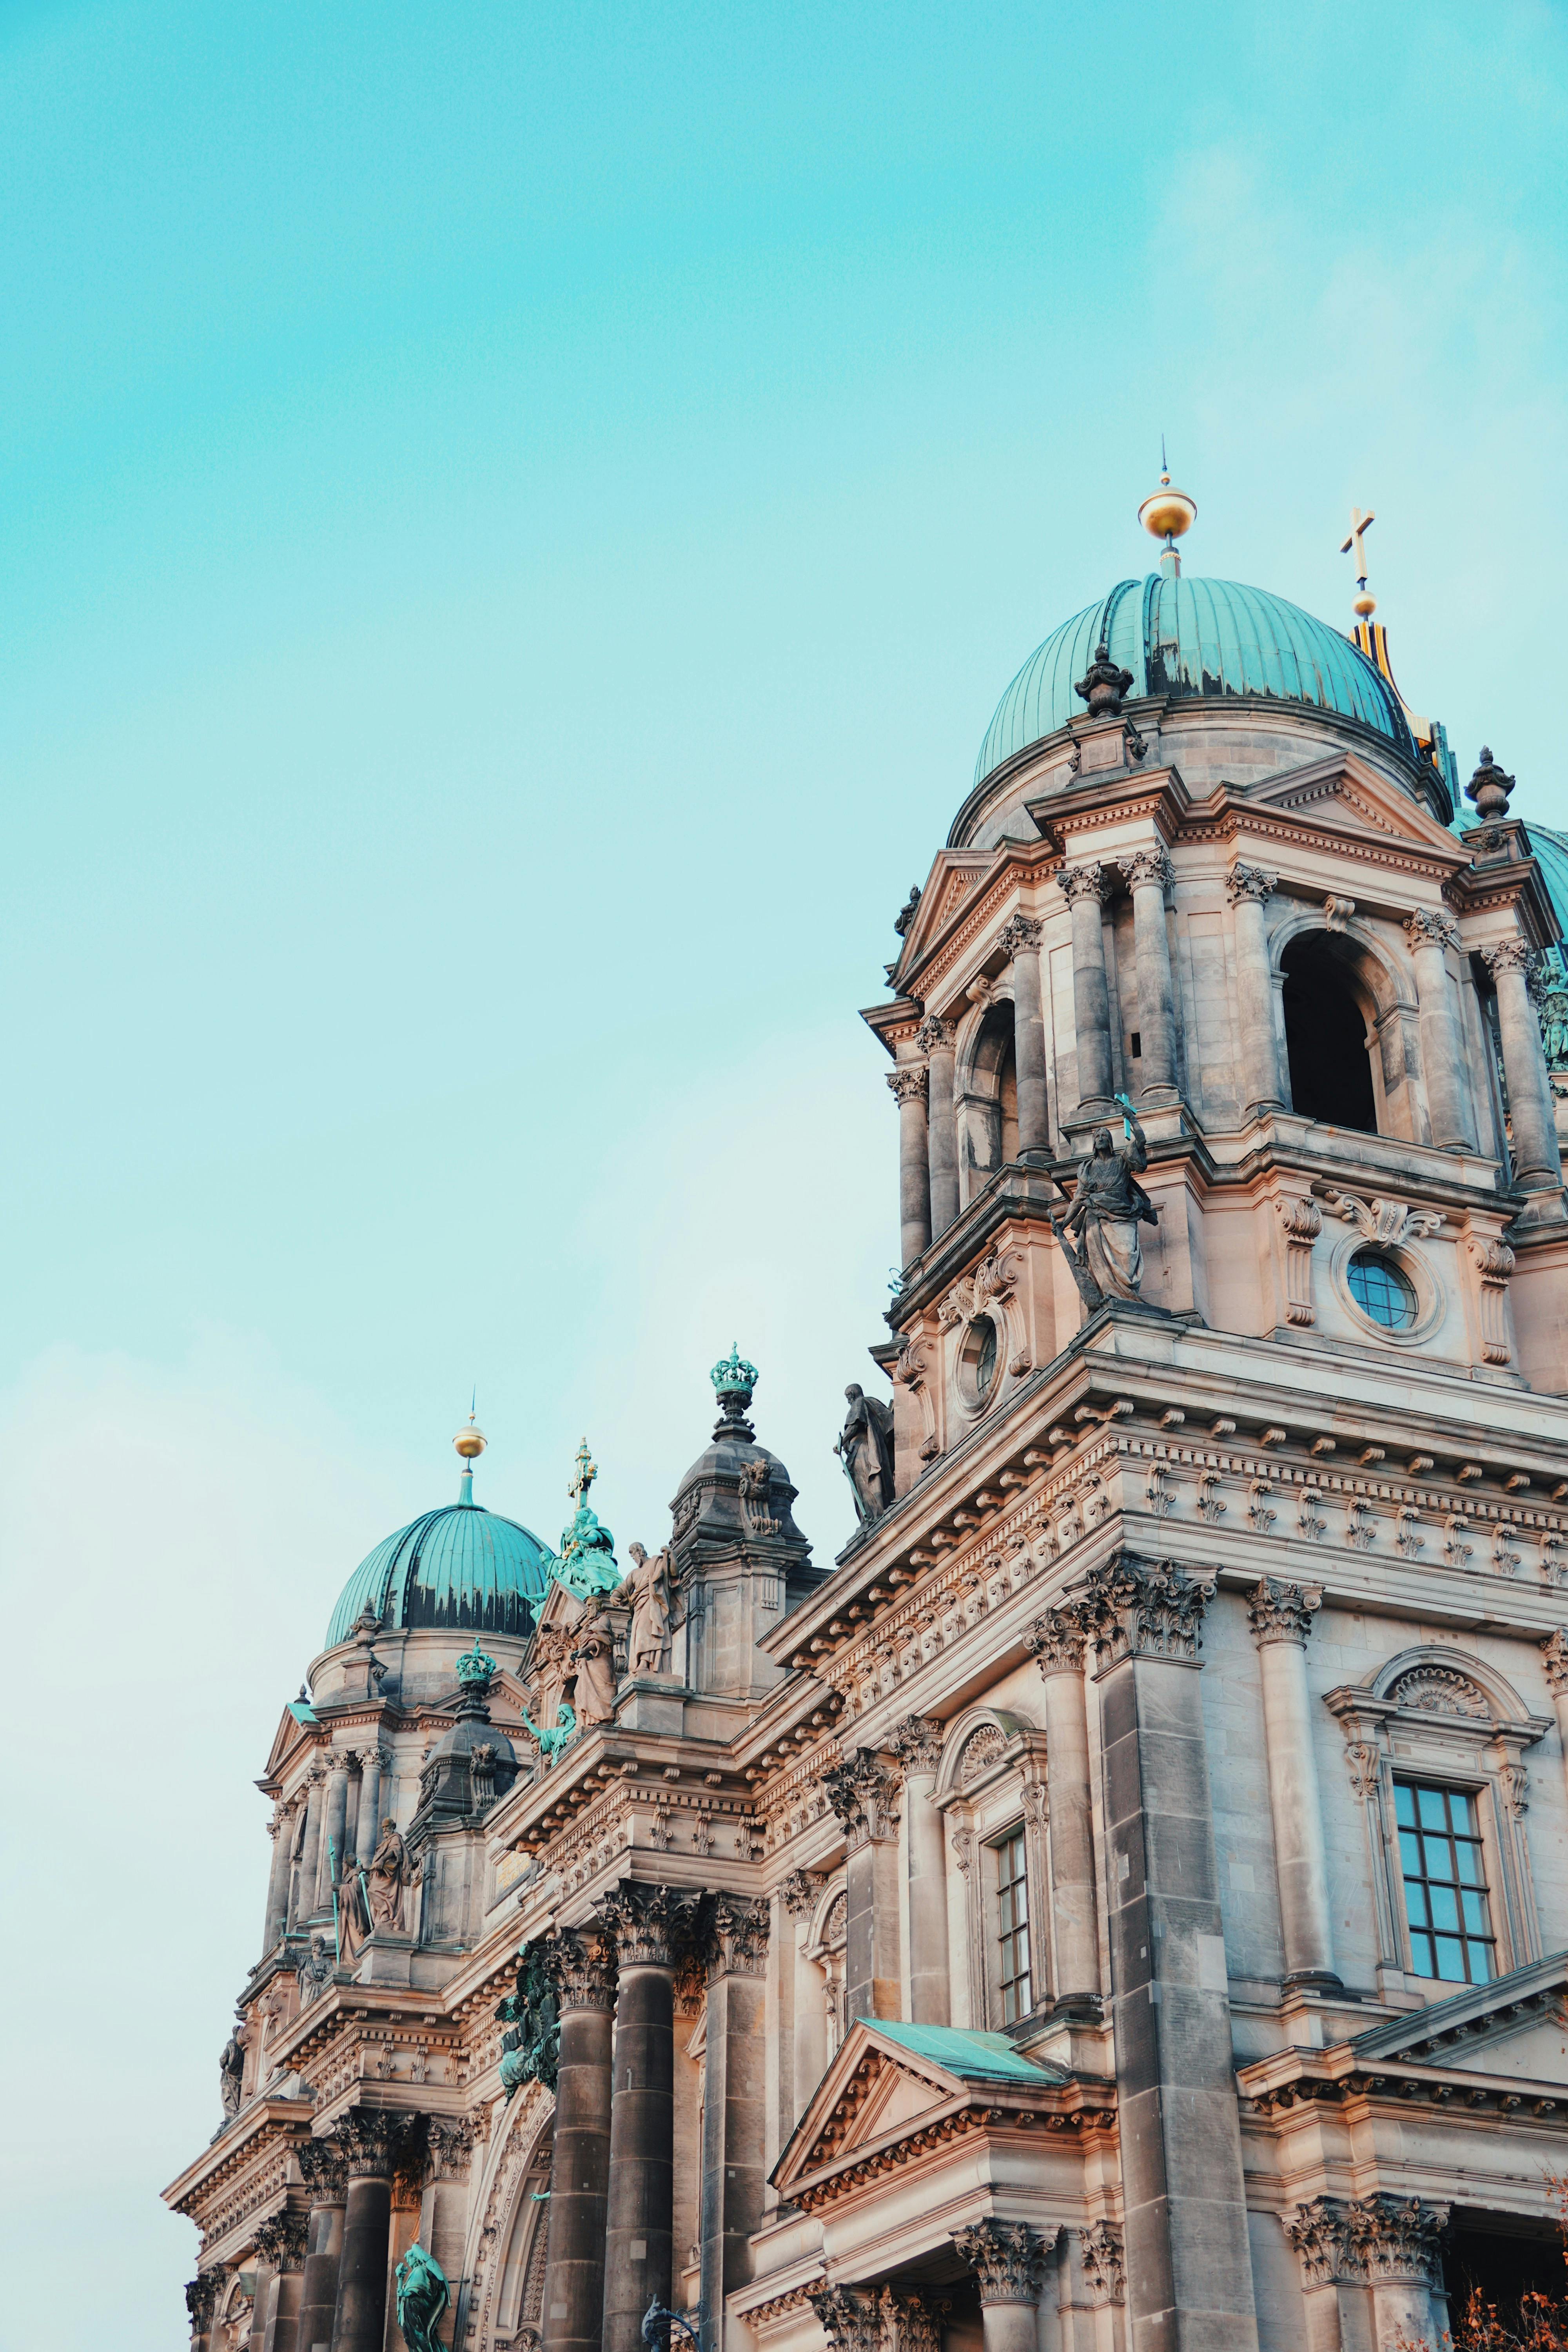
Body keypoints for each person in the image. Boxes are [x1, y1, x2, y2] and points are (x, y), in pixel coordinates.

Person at [1053, 1110, 1159, 1305]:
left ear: (1110, 1142)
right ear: (1094, 1144)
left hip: (1123, 1212)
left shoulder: (1122, 1160)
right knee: (1098, 1259)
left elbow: (1141, 1142)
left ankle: (1128, 1294)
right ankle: (1109, 1294)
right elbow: (1079, 1198)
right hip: (1095, 1214)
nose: (1101, 1138)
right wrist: (1064, 1223)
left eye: (1104, 1136)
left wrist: (1133, 1120)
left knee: (1127, 1254)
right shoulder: (1087, 1169)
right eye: (1098, 1136)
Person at [834, 1383, 896, 1523]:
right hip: (863, 1449)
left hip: (862, 1449)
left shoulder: (860, 1403)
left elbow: (855, 1425)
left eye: (848, 1397)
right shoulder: (871, 1402)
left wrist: (841, 1443)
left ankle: (874, 1514)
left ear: (852, 1395)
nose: (848, 1402)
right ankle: (871, 1514)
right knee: (865, 1484)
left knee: (866, 1482)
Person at [619, 1542, 672, 1676]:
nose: (634, 1559)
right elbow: (624, 1588)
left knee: (645, 1631)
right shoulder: (634, 1573)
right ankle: (641, 1663)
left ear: (640, 1551)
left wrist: (670, 1556)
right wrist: (615, 1596)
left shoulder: (656, 1562)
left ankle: (645, 1663)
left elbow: (672, 1573)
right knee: (638, 1635)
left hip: (652, 1602)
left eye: (633, 1555)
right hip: (638, 1606)